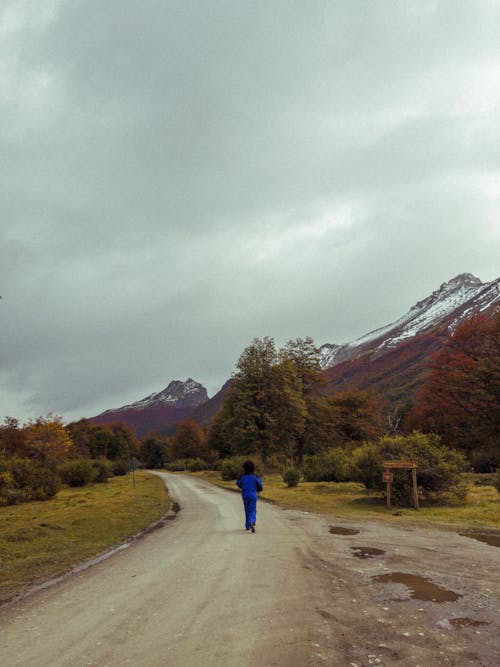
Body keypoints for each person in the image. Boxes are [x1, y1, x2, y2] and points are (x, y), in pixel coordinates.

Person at [236, 460, 263, 533]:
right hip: (253, 494)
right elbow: (260, 486)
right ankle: (252, 521)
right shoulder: (256, 477)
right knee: (252, 509)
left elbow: (238, 484)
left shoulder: (243, 477)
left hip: (245, 494)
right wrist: (259, 489)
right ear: (253, 468)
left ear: (244, 468)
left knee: (246, 509)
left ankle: (247, 525)